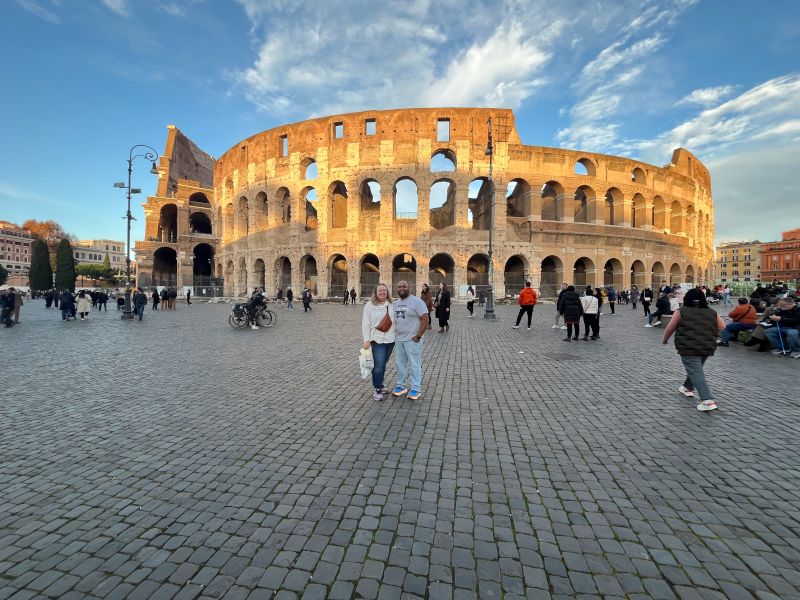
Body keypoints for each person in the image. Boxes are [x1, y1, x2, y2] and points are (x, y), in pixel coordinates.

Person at [661, 288, 726, 412]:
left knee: (696, 371)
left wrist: (665, 339)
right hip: (707, 345)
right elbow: (722, 326)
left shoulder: (681, 311)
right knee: (696, 369)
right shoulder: (711, 311)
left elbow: (670, 328)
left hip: (688, 346)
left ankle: (707, 400)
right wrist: (712, 335)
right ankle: (687, 388)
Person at [391, 280, 429, 401]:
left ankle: (416, 388)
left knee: (414, 364)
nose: (401, 288)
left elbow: (425, 319)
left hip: (412, 340)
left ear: (409, 288)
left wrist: (418, 336)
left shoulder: (417, 302)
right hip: (399, 339)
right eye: (399, 286)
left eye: (404, 286)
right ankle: (401, 386)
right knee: (400, 364)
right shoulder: (395, 303)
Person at [362, 283, 395, 401]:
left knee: (382, 364)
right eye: (380, 291)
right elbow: (366, 323)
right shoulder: (369, 305)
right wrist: (366, 339)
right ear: (375, 293)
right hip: (377, 339)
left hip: (391, 340)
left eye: (384, 291)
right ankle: (377, 389)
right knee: (378, 365)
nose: (382, 293)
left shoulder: (391, 304)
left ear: (387, 292)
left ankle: (380, 384)